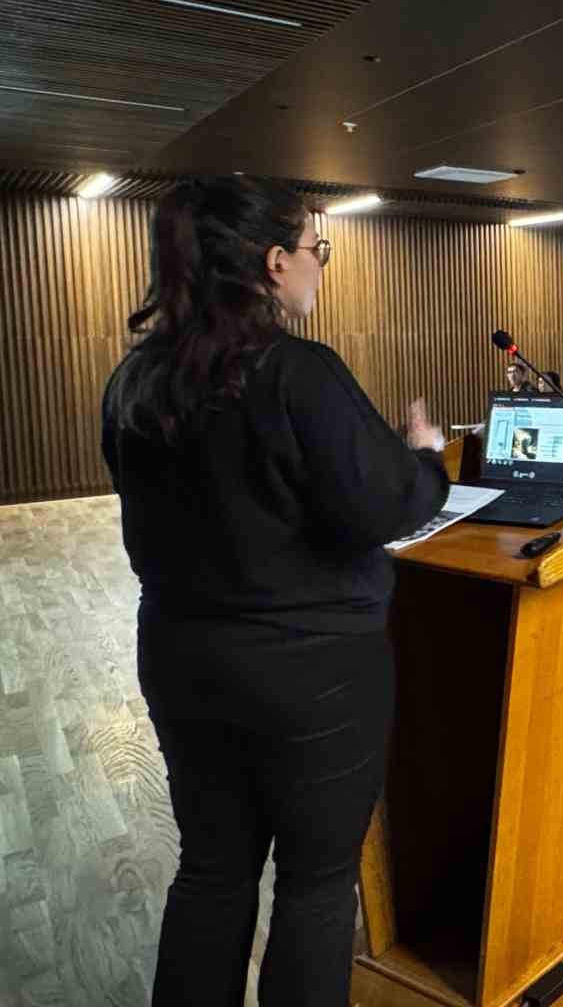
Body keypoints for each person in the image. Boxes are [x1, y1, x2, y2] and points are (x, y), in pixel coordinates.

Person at [100, 178, 449, 1005]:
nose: (319, 269)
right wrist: (426, 455)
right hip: (312, 681)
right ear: (273, 262)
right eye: (314, 252)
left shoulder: (135, 381)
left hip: (183, 662)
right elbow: (383, 504)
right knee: (316, 885)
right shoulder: (298, 372)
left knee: (213, 872)